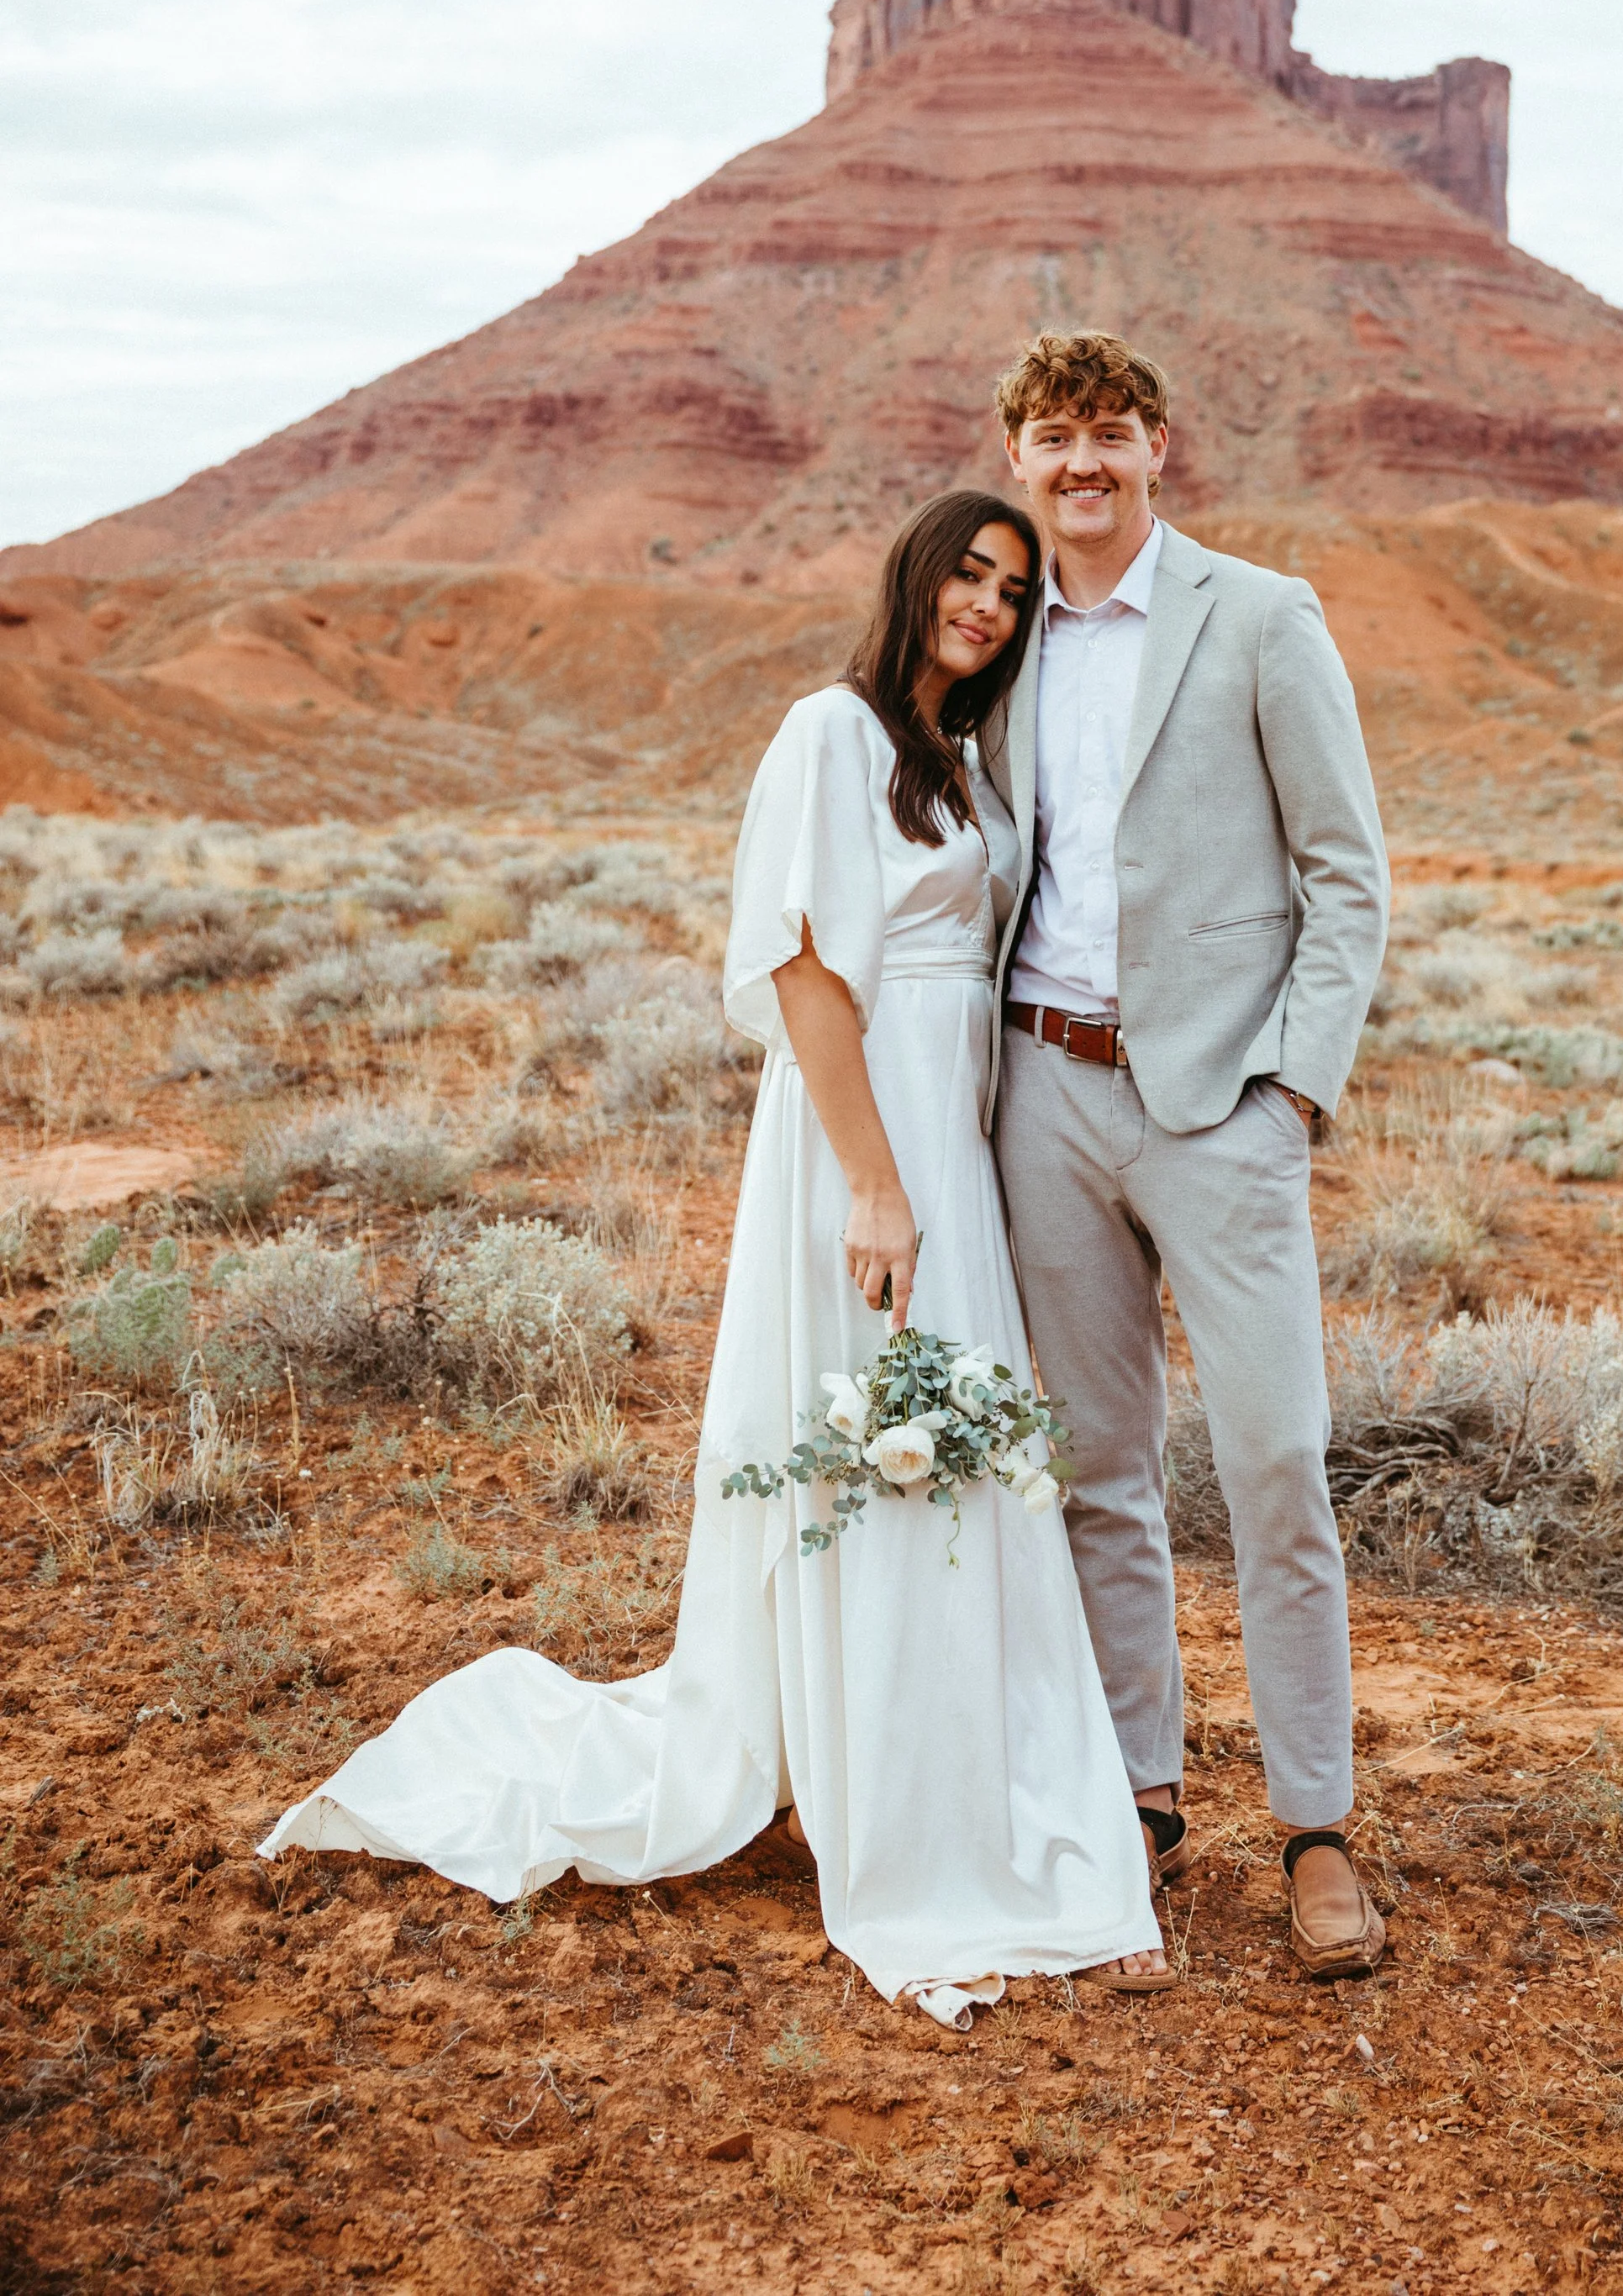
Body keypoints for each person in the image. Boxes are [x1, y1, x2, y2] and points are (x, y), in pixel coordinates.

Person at [261, 490, 1161, 2027]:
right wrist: (877, 1187)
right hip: (870, 1142)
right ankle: (903, 1820)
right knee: (886, 1440)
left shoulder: (958, 760)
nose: (992, 606)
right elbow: (806, 969)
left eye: (1015, 590)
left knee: (960, 1449)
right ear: (916, 572)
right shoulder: (833, 731)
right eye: (971, 571)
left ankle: (969, 1775)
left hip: (958, 1133)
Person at [985, 331, 1392, 1978]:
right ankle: (1138, 1808)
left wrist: (1287, 1093)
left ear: (1156, 447)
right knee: (1095, 1475)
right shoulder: (996, 631)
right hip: (1040, 1097)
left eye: (1106, 433)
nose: (1079, 463)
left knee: (1278, 1466)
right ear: (1016, 457)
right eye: (1049, 437)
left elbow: (1345, 873)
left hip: (1217, 1112)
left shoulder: (1255, 616)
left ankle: (1314, 1828)